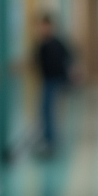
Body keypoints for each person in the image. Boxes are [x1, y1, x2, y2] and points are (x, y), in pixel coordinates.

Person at [35, 13, 72, 154]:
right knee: (45, 111)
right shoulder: (42, 43)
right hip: (46, 81)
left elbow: (68, 59)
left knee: (49, 111)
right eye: (41, 26)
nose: (43, 29)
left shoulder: (56, 43)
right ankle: (48, 139)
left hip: (55, 81)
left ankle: (51, 141)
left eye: (45, 26)